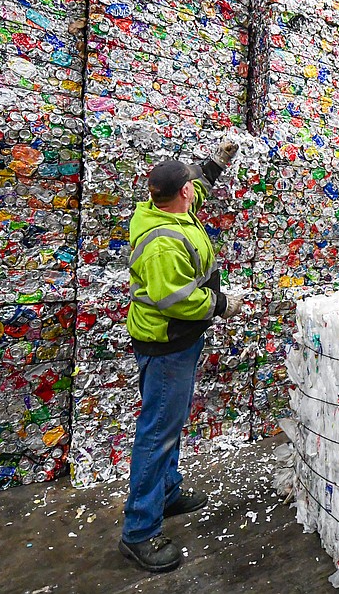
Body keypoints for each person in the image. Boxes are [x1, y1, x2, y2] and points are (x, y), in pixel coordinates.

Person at [118, 141, 243, 573]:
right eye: (191, 183)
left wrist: (214, 165)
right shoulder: (163, 243)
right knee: (157, 434)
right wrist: (221, 304)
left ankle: (167, 493)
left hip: (177, 343)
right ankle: (139, 531)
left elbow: (197, 189)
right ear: (182, 193)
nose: (195, 188)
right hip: (166, 344)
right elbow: (175, 300)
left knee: (168, 427)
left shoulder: (167, 210)